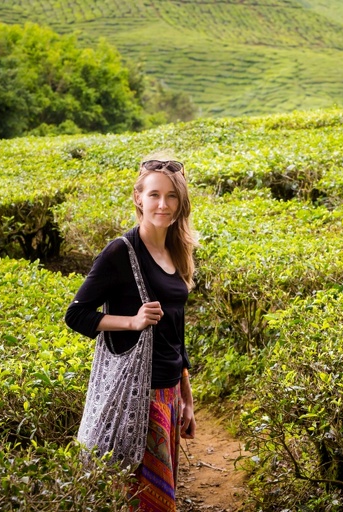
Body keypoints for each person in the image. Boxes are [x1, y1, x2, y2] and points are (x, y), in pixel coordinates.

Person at [65, 152, 197, 511]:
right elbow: (76, 315)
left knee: (159, 496)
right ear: (138, 197)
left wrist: (186, 394)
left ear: (181, 201)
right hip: (139, 394)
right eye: (154, 194)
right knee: (144, 499)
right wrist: (132, 322)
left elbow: (175, 331)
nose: (163, 204)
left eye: (171, 196)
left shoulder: (177, 250)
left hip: (168, 391)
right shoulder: (120, 252)